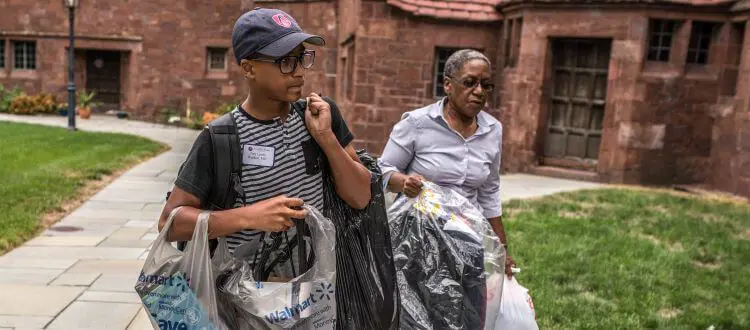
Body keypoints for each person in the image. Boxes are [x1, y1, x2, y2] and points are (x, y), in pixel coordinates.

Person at [158, 8, 370, 263]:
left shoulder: (321, 116)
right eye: (286, 61)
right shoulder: (221, 137)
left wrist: (326, 137)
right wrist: (248, 217)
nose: (300, 71)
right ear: (249, 68)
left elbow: (360, 196)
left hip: (318, 292)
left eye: (302, 58)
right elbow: (168, 224)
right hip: (245, 295)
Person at [378, 48, 516, 276]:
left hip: (470, 237)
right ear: (448, 84)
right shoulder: (417, 123)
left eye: (486, 85)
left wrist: (501, 249)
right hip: (419, 237)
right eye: (469, 82)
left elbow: (489, 192)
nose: (479, 91)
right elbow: (382, 169)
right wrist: (403, 182)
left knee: (469, 308)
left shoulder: (493, 129)